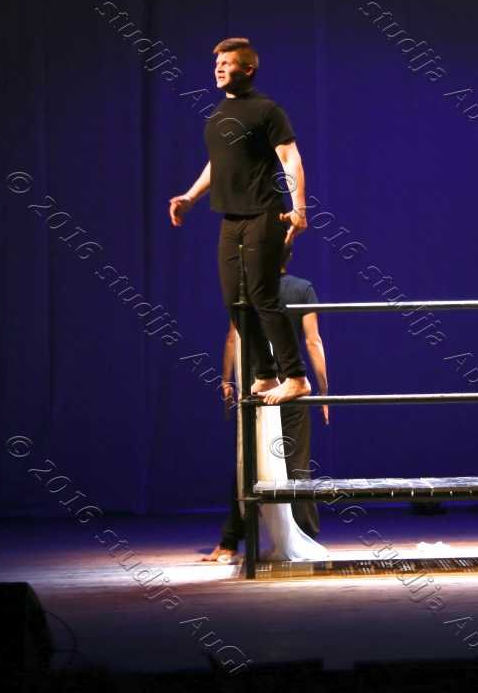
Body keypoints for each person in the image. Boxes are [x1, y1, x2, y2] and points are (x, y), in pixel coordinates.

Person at [168, 37, 312, 406]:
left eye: (227, 63)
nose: (218, 68)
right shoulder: (218, 114)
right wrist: (190, 197)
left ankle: (296, 377)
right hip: (231, 220)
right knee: (234, 298)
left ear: (247, 69)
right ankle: (265, 374)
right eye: (216, 63)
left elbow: (290, 158)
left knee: (263, 294)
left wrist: (299, 208)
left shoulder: (267, 110)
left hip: (264, 214)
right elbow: (217, 165)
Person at [206, 246, 330, 561]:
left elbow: (232, 337)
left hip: (257, 385)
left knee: (247, 461)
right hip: (290, 385)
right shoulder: (302, 289)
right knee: (296, 462)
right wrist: (324, 390)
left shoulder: (249, 290)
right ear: (289, 258)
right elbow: (313, 341)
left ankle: (229, 542)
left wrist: (226, 380)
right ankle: (305, 535)